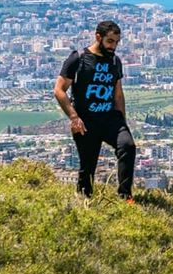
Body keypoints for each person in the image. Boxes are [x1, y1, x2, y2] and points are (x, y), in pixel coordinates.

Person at [53, 20, 136, 201]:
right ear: (98, 37)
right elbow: (59, 90)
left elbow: (118, 94)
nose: (113, 46)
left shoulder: (115, 61)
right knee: (87, 168)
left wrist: (122, 121)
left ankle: (125, 196)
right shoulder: (79, 58)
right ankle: (84, 202)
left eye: (116, 42)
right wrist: (74, 117)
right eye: (110, 41)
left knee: (127, 146)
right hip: (86, 121)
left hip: (110, 119)